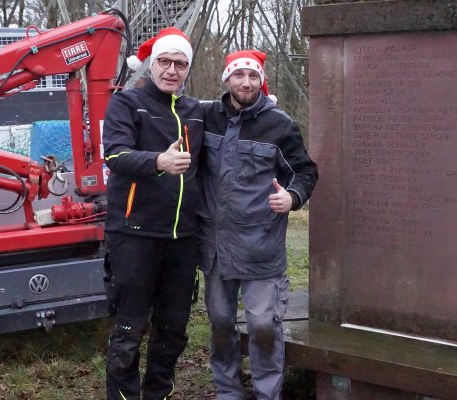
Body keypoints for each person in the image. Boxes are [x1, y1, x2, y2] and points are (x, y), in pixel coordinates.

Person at [198, 50, 318, 400]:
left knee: (264, 325)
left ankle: (268, 393)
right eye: (239, 75)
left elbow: (305, 171)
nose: (246, 82)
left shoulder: (279, 124)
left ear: (261, 81)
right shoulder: (207, 118)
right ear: (227, 79)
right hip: (216, 247)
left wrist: (292, 198)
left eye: (253, 76)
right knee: (220, 323)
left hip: (260, 244)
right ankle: (228, 391)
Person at [102, 27, 203, 400]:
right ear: (151, 63)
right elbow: (114, 154)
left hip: (182, 238)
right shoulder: (127, 103)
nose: (171, 70)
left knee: (174, 328)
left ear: (187, 69)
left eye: (180, 64)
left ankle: (158, 393)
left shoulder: (196, 112)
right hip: (135, 233)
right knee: (130, 327)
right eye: (164, 61)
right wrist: (158, 160)